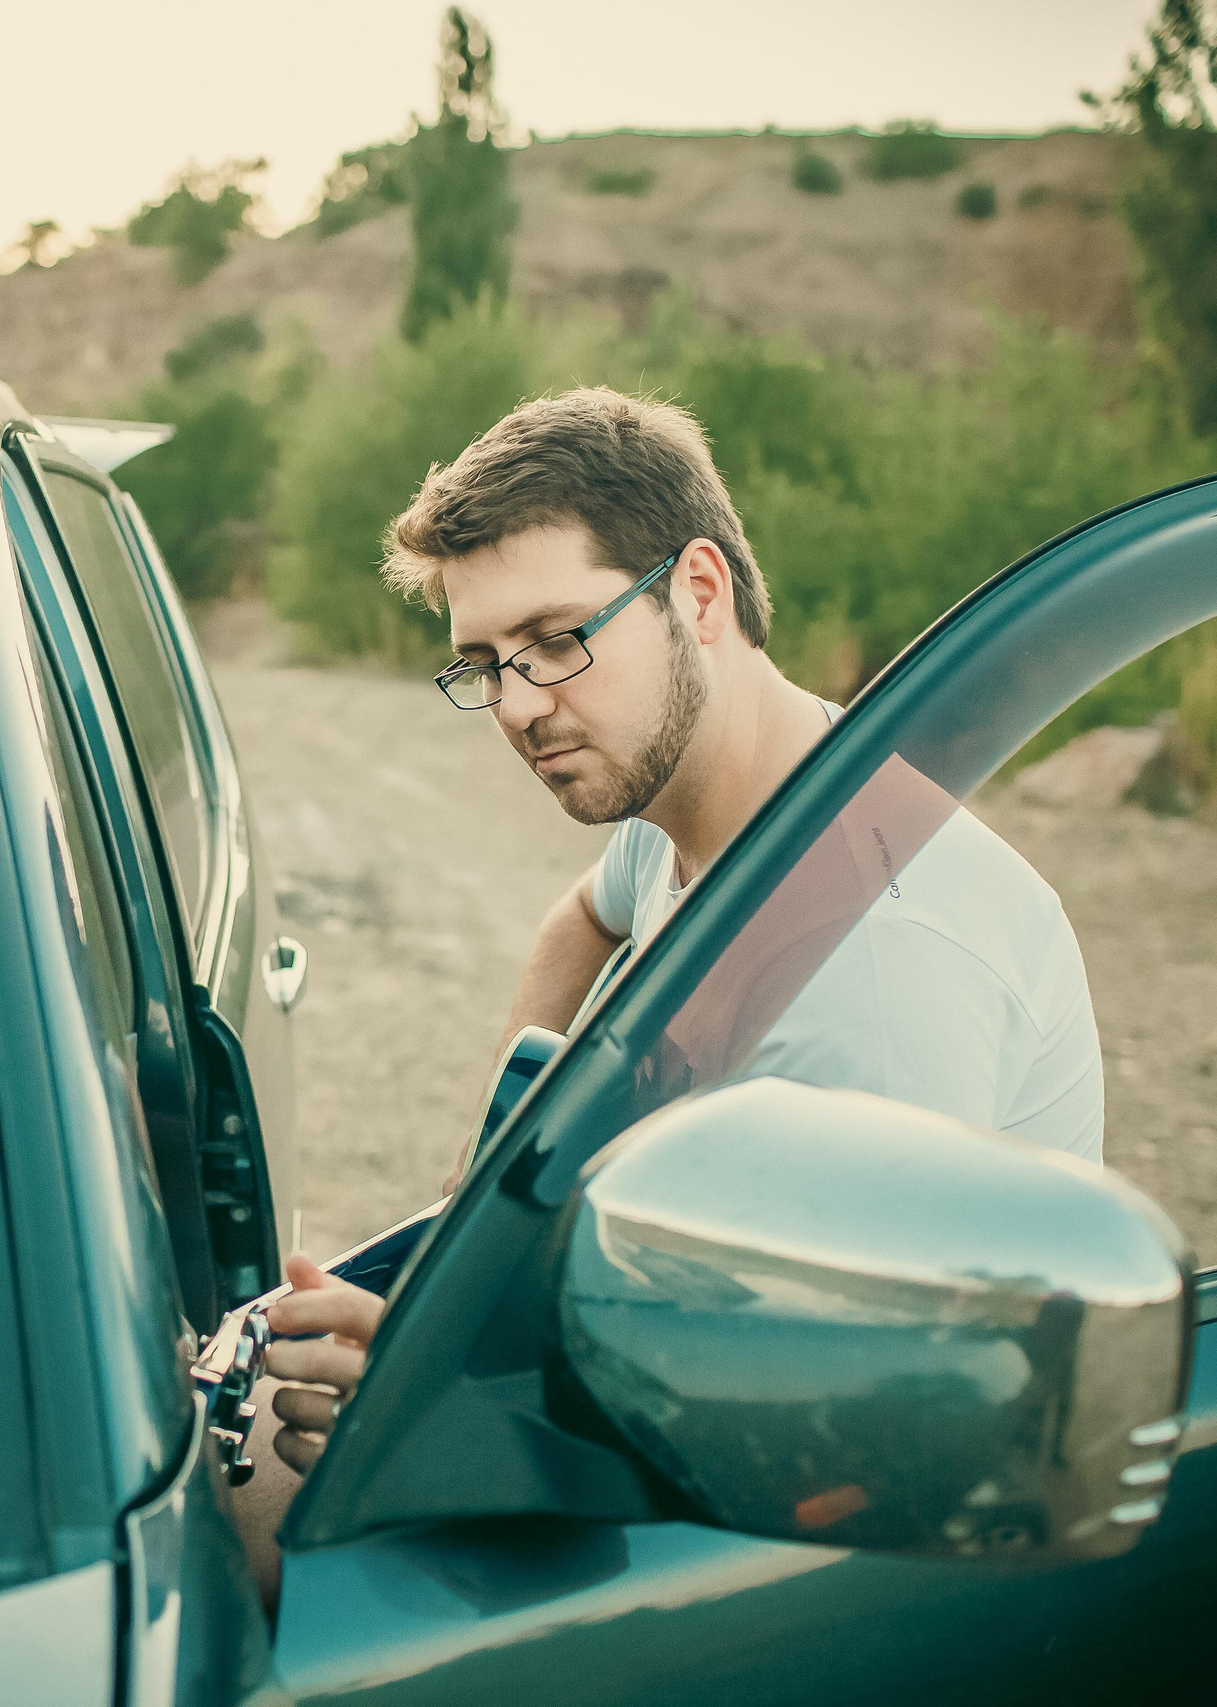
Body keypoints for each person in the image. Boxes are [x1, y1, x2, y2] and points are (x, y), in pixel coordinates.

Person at [240, 386, 1104, 1600]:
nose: (521, 705)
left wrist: (447, 1423)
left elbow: (849, 1436)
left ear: (696, 594)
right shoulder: (713, 797)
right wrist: (492, 1177)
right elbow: (580, 921)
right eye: (483, 665)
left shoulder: (883, 969)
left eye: (555, 639)